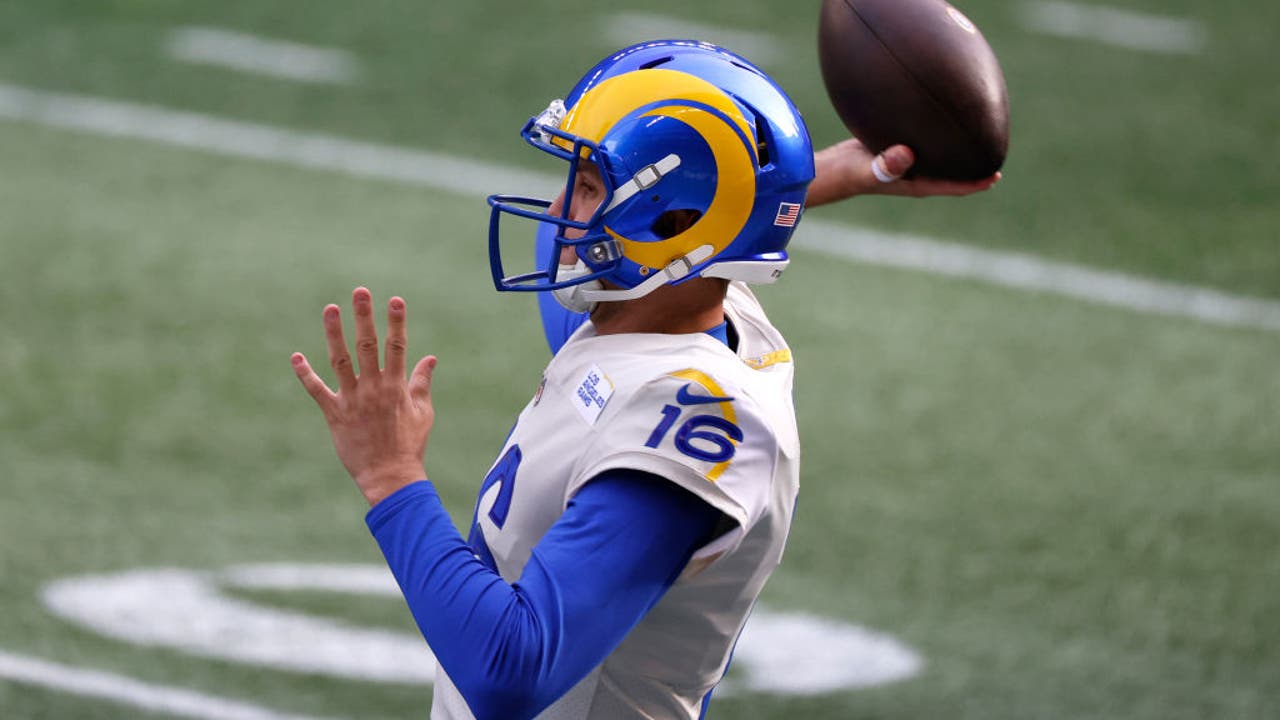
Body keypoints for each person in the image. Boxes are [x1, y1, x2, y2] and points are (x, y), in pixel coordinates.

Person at [292, 40, 995, 720]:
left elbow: (509, 671)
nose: (561, 210)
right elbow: (692, 241)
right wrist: (813, 178)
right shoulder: (642, 318)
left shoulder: (697, 420)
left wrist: (392, 478)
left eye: (591, 185)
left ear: (676, 220)